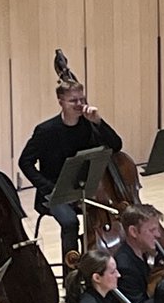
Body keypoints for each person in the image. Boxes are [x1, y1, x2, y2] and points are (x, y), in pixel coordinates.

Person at [18, 79, 123, 268]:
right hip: (55, 193)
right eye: (73, 101)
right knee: (70, 222)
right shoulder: (46, 131)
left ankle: (101, 265)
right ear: (61, 101)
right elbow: (25, 162)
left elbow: (116, 146)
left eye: (82, 99)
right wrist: (49, 187)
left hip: (86, 189)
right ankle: (72, 274)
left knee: (111, 213)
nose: (79, 105)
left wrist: (99, 122)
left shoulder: (89, 124)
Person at [112, 203, 164, 303]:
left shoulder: (142, 252)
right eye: (152, 230)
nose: (158, 235)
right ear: (133, 232)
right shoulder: (125, 266)